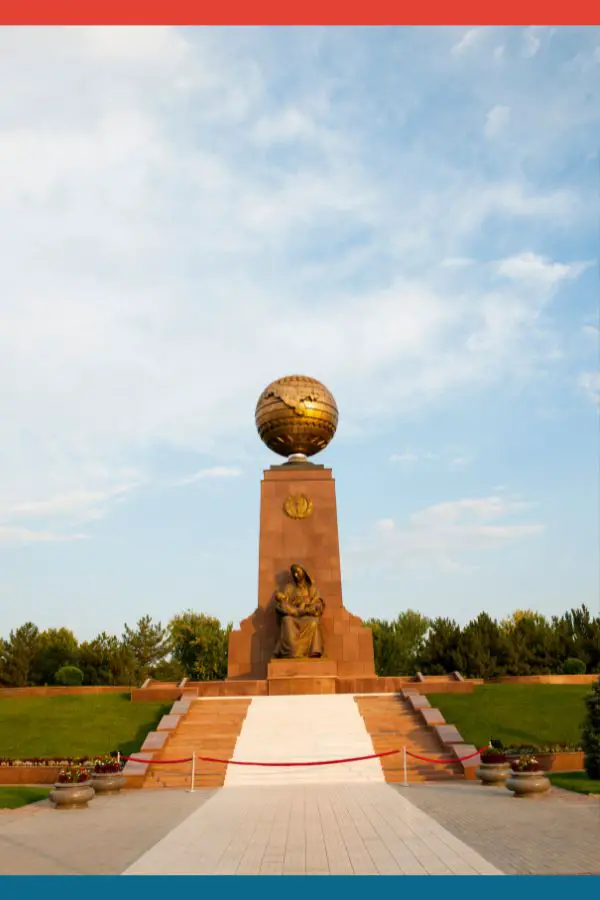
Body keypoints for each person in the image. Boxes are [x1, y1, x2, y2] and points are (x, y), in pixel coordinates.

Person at [272, 563, 325, 659]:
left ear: (304, 573)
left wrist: (309, 608)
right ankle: (291, 652)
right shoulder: (289, 588)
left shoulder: (311, 589)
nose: (296, 575)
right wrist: (292, 609)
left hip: (306, 616)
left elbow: (318, 604)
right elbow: (284, 602)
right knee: (286, 621)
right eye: (294, 573)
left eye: (298, 572)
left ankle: (314, 651)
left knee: (314, 622)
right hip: (293, 617)